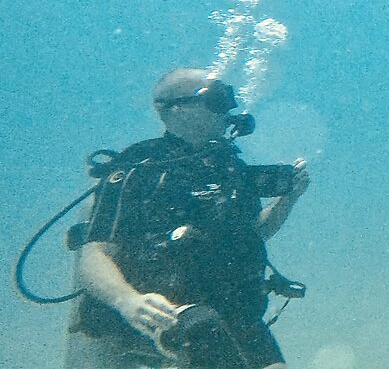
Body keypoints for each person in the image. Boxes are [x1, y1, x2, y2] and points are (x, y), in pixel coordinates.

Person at [65, 68, 310, 369]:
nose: (229, 109)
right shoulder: (139, 168)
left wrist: (289, 199)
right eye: (216, 100)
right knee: (207, 335)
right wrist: (126, 301)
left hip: (234, 309)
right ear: (174, 110)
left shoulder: (229, 167)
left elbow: (256, 233)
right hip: (166, 312)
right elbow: (96, 252)